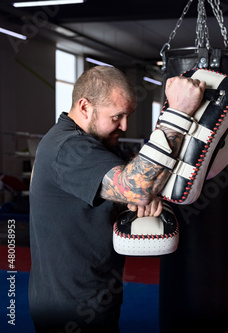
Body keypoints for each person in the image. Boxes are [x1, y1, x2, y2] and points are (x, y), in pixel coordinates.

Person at [29, 66, 205, 332]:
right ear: (85, 107)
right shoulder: (68, 147)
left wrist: (144, 195)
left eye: (127, 116)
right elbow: (136, 188)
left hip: (96, 292)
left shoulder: (99, 144)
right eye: (117, 116)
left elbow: (134, 188)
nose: (124, 125)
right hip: (68, 306)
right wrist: (178, 114)